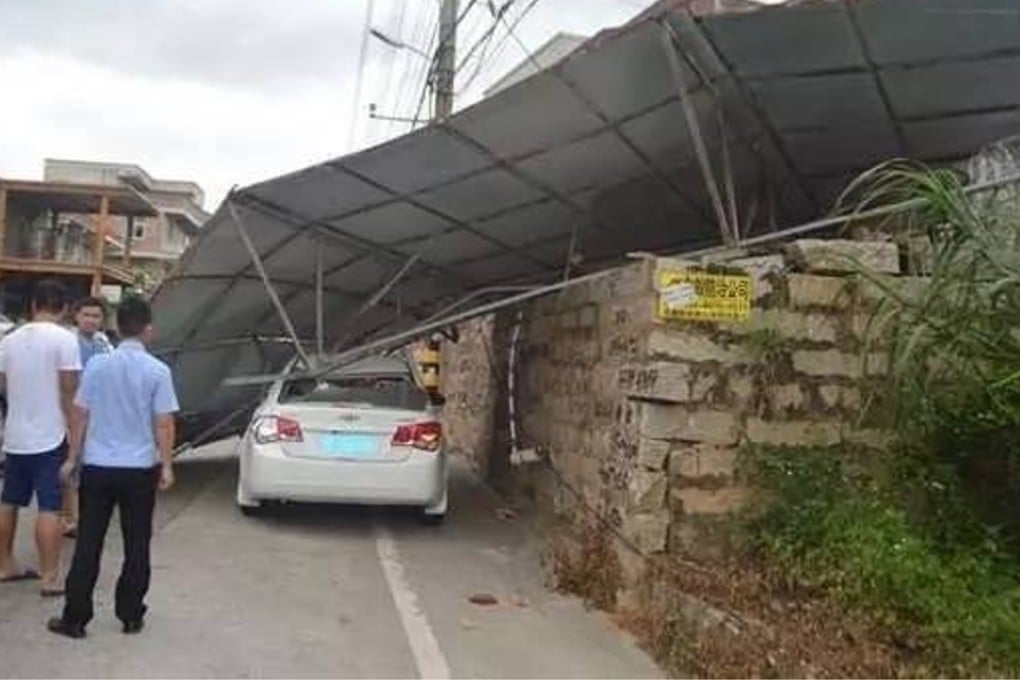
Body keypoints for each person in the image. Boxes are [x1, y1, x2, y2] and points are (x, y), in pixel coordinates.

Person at [48, 296, 178, 639]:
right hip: (138, 469)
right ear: (148, 330)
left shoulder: (97, 367)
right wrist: (166, 466)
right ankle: (131, 614)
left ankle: (75, 618)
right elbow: (164, 422)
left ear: (117, 328)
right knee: (137, 542)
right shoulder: (158, 371)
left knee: (89, 541)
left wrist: (73, 458)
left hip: (99, 467)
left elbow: (80, 414)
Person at [0, 279, 81, 596]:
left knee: (9, 501)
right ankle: (49, 576)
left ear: (34, 305)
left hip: (15, 434)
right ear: (63, 308)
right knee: (50, 506)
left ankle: (5, 563)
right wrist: (75, 439)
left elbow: (4, 385)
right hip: (50, 434)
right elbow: (69, 390)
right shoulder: (65, 340)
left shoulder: (9, 340)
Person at [61, 297, 114, 538]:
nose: (91, 320)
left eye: (96, 316)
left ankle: (80, 515)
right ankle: (71, 518)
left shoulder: (104, 343)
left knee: (87, 464)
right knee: (70, 463)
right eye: (87, 315)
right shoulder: (68, 342)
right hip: (70, 411)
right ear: (76, 316)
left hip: (98, 413)